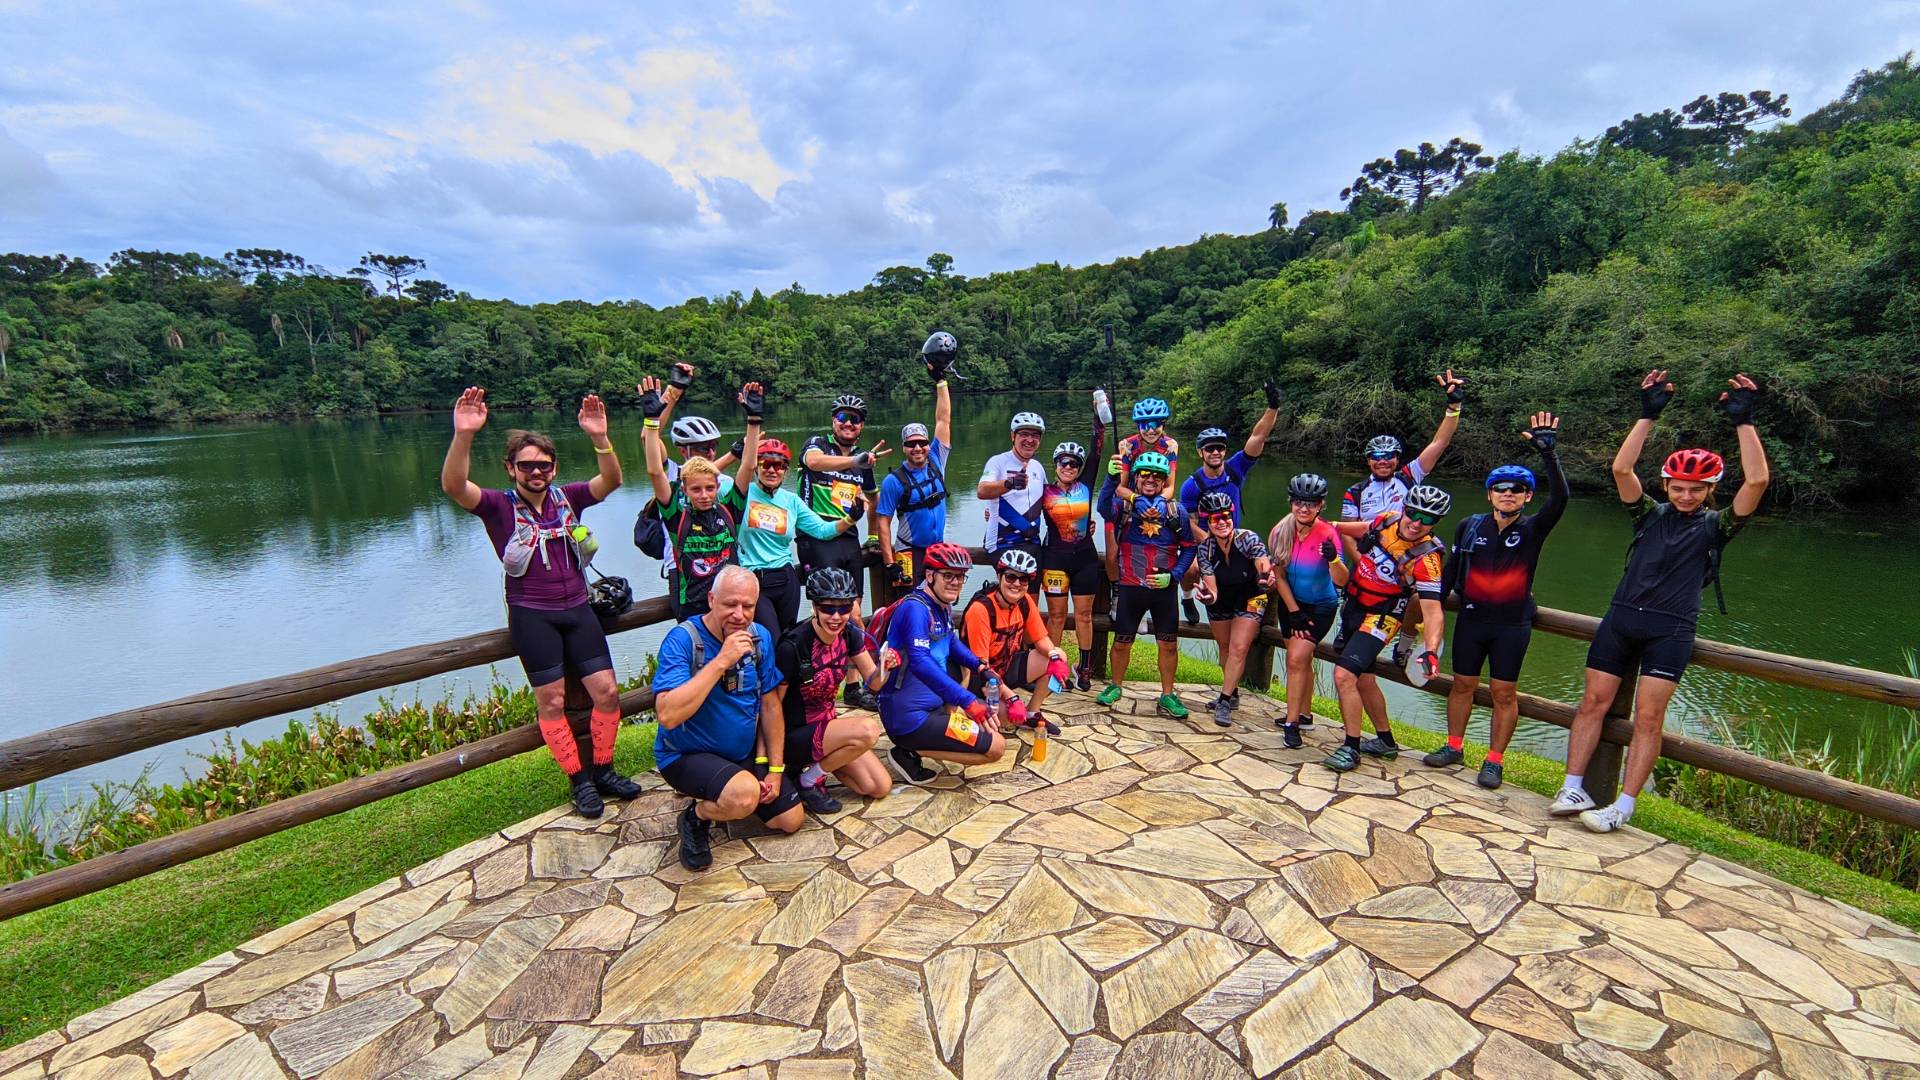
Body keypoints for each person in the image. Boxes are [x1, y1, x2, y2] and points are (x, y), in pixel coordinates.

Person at [1551, 372, 1769, 833]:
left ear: (1710, 491)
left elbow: (1758, 480)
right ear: (1667, 486)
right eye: (1678, 487)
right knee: (1592, 702)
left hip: (1671, 628)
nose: (1686, 495)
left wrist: (1744, 422)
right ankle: (1573, 785)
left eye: (1696, 489)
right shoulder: (1648, 514)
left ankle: (1623, 807)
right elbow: (1621, 470)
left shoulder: (1718, 526)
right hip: (1622, 617)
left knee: (1649, 719)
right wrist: (1648, 414)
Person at [440, 386, 641, 817]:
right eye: (527, 465)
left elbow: (612, 481)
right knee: (551, 702)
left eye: (543, 465)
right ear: (511, 468)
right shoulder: (497, 506)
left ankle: (604, 769)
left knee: (606, 691)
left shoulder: (568, 499)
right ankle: (579, 781)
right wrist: (464, 435)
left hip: (578, 608)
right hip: (533, 616)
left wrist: (600, 439)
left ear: (554, 468)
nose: (536, 472)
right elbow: (455, 486)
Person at [1425, 412, 1569, 789]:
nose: (1508, 493)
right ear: (1489, 493)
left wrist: (1549, 454)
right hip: (1472, 619)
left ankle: (1494, 760)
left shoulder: (1533, 527)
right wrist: (1431, 612)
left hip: (1511, 624)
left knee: (1504, 693)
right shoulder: (1470, 525)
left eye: (1516, 489)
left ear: (1527, 496)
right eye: (1501, 488)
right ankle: (1454, 745)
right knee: (1461, 685)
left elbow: (1562, 498)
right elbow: (1451, 572)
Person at [653, 566, 801, 870]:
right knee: (744, 796)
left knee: (790, 820)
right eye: (729, 605)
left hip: (741, 755)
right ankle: (696, 818)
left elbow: (771, 705)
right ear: (711, 600)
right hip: (685, 754)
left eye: (748, 606)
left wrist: (774, 769)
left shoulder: (759, 638)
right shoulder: (683, 640)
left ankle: (731, 791)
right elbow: (667, 714)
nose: (739, 615)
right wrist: (721, 661)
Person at [1322, 485, 1453, 772]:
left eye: (1428, 519)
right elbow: (1339, 526)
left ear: (1436, 523)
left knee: (1344, 675)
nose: (1417, 522)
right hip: (1354, 606)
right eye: (1414, 513)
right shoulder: (1387, 519)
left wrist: (1430, 650)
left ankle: (1351, 748)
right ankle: (1386, 741)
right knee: (1365, 680)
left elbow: (1433, 612)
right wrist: (1311, 525)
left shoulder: (1427, 559)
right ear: (1404, 508)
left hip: (1382, 617)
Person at [1337, 370, 1466, 659]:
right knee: (1351, 624)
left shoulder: (1408, 477)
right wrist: (1361, 565)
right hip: (1369, 561)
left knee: (1422, 598)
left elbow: (1439, 444)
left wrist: (1453, 408)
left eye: (1389, 456)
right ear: (1369, 461)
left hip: (1409, 559)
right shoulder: (1355, 491)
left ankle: (1405, 645)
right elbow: (1346, 533)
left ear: (1398, 458)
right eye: (1377, 458)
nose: (1383, 462)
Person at [876, 543, 1009, 784]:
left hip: (933, 706)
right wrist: (967, 701)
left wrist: (982, 667)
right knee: (996, 748)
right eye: (948, 575)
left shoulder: (941, 604)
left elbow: (951, 643)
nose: (955, 582)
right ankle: (909, 751)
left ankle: (939, 725)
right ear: (929, 575)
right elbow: (920, 662)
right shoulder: (915, 609)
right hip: (910, 718)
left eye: (960, 577)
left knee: (1004, 715)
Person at [732, 407, 866, 639]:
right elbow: (703, 475)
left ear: (786, 471)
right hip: (754, 579)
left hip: (786, 578)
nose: (773, 470)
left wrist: (851, 517)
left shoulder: (790, 501)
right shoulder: (742, 492)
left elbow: (823, 530)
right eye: (766, 464)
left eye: (780, 465)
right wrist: (735, 455)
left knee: (786, 638)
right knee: (769, 638)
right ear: (757, 466)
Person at [775, 569, 894, 814]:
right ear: (815, 607)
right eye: (829, 608)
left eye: (845, 608)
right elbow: (773, 707)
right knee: (867, 730)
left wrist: (886, 667)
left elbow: (874, 682)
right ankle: (808, 781)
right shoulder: (793, 646)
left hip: (827, 727)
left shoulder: (849, 634)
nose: (837, 617)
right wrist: (771, 761)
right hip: (795, 735)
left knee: (878, 785)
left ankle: (816, 768)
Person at [1094, 451, 1196, 719]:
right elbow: (1103, 506)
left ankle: (1167, 694)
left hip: (1164, 590)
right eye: (1145, 475)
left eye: (1157, 476)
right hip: (1130, 586)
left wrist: (1174, 576)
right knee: (1121, 643)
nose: (1151, 480)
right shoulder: (1124, 507)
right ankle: (1116, 686)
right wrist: (1110, 477)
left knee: (1168, 645)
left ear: (1164, 482)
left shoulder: (1177, 511)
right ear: (1136, 478)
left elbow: (1189, 548)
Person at [1178, 379, 1283, 623]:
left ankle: (1248, 613)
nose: (1215, 452)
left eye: (1219, 448)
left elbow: (1258, 437)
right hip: (1204, 537)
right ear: (1200, 452)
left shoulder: (1236, 468)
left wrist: (1273, 407)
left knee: (1255, 567)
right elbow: (1189, 522)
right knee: (1192, 568)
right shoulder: (1191, 485)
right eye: (1209, 448)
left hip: (1233, 534)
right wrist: (1210, 543)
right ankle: (1186, 597)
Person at [640, 374, 739, 619]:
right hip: (683, 568)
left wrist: (738, 451)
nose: (711, 452)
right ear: (683, 449)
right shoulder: (672, 475)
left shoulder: (722, 482)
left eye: (714, 446)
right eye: (703, 448)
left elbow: (712, 475)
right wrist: (672, 394)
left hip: (723, 565)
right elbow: (649, 444)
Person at [1267, 474, 1349, 748]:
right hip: (1292, 604)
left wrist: (1333, 558)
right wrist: (1293, 610)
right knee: (1300, 660)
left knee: (1295, 659)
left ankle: (1292, 724)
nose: (1304, 508)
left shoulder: (1328, 534)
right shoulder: (1280, 531)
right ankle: (1304, 713)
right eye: (1299, 502)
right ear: (1291, 502)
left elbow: (1341, 580)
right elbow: (1278, 575)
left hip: (1320, 605)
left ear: (1321, 505)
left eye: (1311, 503)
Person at [960, 549, 1076, 735]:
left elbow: (1040, 639)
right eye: (1011, 577)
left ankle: (1033, 712)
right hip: (978, 679)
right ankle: (976, 707)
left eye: (1023, 580)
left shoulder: (1025, 602)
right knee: (1006, 719)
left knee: (1058, 656)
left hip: (1005, 667)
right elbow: (982, 668)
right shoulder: (981, 610)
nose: (1016, 584)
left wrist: (1053, 657)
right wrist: (1012, 698)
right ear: (999, 577)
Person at [875, 334, 956, 587]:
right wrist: (889, 563)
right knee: (909, 606)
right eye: (912, 444)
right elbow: (883, 522)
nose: (918, 447)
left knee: (938, 603)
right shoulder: (893, 481)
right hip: (908, 551)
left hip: (937, 551)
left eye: (922, 442)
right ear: (904, 448)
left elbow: (943, 420)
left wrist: (941, 382)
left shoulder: (936, 459)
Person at [798, 393, 887, 622]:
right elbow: (814, 462)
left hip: (849, 539)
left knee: (854, 605)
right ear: (833, 421)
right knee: (832, 608)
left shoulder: (862, 458)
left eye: (855, 419)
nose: (848, 423)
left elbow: (873, 498)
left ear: (862, 426)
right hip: (817, 538)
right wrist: (855, 462)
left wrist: (873, 534)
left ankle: (858, 654)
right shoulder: (818, 443)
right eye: (843, 416)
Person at [1039, 394, 1107, 689]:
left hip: (1085, 559)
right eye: (1064, 462)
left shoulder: (1086, 485)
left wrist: (1098, 417)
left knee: (1084, 615)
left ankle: (1085, 667)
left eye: (1074, 464)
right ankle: (1054, 668)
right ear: (1056, 464)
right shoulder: (1043, 492)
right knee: (1056, 617)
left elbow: (1097, 451)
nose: (1069, 467)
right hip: (1054, 559)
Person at [1191, 491, 1275, 727]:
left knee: (1239, 648)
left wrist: (1264, 575)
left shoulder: (1248, 538)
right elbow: (1212, 586)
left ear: (1233, 516)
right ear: (1208, 523)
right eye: (1215, 518)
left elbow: (1262, 563)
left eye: (1226, 516)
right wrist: (1208, 597)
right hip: (1222, 597)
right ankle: (1234, 692)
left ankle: (1225, 700)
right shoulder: (1206, 548)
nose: (1221, 522)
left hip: (1251, 597)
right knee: (1225, 648)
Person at [1109, 397, 1180, 589]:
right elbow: (1120, 486)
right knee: (1113, 553)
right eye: (1145, 424)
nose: (1150, 430)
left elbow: (1170, 486)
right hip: (1128, 501)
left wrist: (1158, 501)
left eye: (1156, 424)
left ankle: (1177, 592)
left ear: (1163, 424)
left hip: (1158, 499)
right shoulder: (1127, 445)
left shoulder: (1170, 445)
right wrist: (1135, 498)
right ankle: (1117, 589)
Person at [977, 412, 1050, 558]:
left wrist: (1081, 520)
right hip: (1002, 543)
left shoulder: (1038, 467)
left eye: (1035, 435)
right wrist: (1009, 483)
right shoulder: (997, 462)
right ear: (1013, 436)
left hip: (1033, 543)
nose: (1030, 440)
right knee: (1016, 580)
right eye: (1024, 434)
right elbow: (982, 491)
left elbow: (1050, 502)